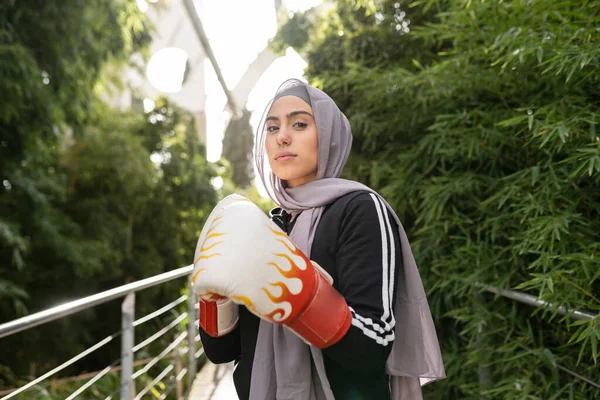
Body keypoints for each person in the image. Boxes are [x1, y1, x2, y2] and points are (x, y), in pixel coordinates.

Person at [194, 79, 445, 400]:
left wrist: (297, 291)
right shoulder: (268, 226)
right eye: (271, 128)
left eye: (299, 124)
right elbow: (222, 352)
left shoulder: (362, 209)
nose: (282, 136)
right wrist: (217, 302)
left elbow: (372, 348)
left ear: (328, 136)